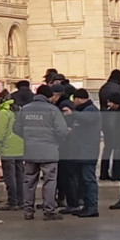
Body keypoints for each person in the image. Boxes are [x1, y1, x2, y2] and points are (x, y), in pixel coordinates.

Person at [13, 85, 68, 220]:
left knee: (29, 181)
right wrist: (55, 140)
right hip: (49, 150)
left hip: (30, 150)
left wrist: (28, 138)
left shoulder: (25, 109)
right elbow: (62, 131)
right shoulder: (53, 110)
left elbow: (16, 128)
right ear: (48, 96)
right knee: (49, 181)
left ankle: (28, 211)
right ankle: (49, 210)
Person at [0, 90, 24, 211]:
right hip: (20, 147)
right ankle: (21, 201)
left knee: (10, 176)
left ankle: (12, 202)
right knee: (20, 175)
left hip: (8, 148)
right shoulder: (18, 110)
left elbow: (0, 133)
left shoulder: (4, 113)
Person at [70, 89, 101, 218]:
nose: (74, 102)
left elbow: (87, 120)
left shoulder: (91, 110)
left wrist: (72, 113)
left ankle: (92, 207)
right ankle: (86, 206)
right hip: (81, 151)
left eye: (75, 100)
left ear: (81, 99)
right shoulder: (83, 111)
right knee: (83, 180)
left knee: (88, 179)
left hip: (88, 151)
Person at [51, 84, 79, 214]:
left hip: (65, 146)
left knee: (67, 175)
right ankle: (70, 201)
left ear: (56, 95)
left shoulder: (63, 106)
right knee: (69, 175)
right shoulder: (66, 104)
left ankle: (72, 203)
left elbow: (64, 127)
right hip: (70, 145)